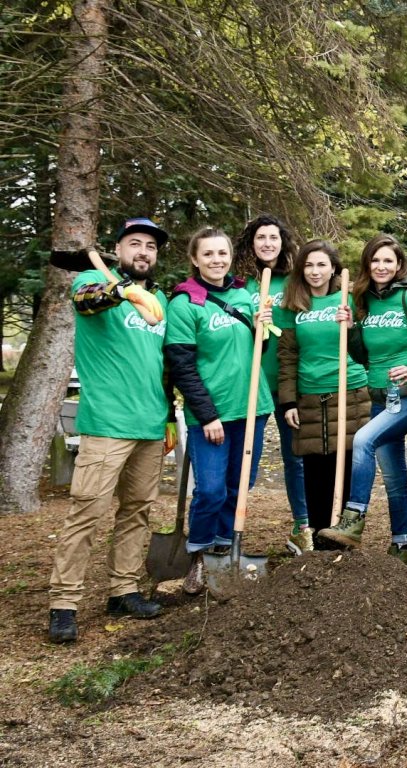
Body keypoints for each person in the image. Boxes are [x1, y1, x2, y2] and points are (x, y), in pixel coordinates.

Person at [47, 217, 173, 643]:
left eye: (151, 247)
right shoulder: (91, 281)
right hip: (106, 425)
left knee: (137, 512)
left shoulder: (159, 300)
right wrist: (120, 289)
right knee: (86, 513)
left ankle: (124, 590)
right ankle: (63, 603)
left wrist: (170, 416)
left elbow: (162, 364)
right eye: (135, 244)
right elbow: (87, 301)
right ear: (118, 250)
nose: (143, 252)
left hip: (150, 425)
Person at [316, 234, 407, 562]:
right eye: (375, 260)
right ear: (367, 265)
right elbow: (361, 356)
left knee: (362, 441)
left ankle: (352, 522)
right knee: (393, 475)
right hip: (380, 398)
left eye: (388, 260)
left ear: (399, 264)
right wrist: (350, 329)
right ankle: (402, 545)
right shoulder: (363, 301)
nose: (381, 266)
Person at [165, 227, 274, 594]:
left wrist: (263, 328)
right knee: (210, 490)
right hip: (211, 415)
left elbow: (258, 354)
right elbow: (182, 365)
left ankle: (225, 551)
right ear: (195, 259)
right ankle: (198, 555)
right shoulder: (184, 303)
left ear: (230, 256)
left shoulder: (245, 296)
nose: (217, 260)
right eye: (208, 254)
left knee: (237, 487)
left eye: (222, 253)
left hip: (252, 408)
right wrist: (207, 415)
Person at [276, 240, 370, 551]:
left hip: (350, 393)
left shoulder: (350, 299)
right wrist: (288, 400)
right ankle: (318, 536)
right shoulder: (294, 305)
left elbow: (365, 345)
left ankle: (343, 538)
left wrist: (353, 324)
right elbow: (287, 356)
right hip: (309, 396)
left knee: (346, 465)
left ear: (333, 268)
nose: (315, 271)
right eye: (309, 265)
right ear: (301, 270)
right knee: (315, 470)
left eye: (321, 265)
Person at [234, 214, 310, 552]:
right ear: (251, 243)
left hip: (288, 383)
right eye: (261, 237)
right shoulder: (239, 285)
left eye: (273, 238)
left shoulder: (295, 282)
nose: (267, 243)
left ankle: (302, 525)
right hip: (251, 383)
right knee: (245, 458)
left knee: (296, 457)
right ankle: (227, 532)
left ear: (283, 243)